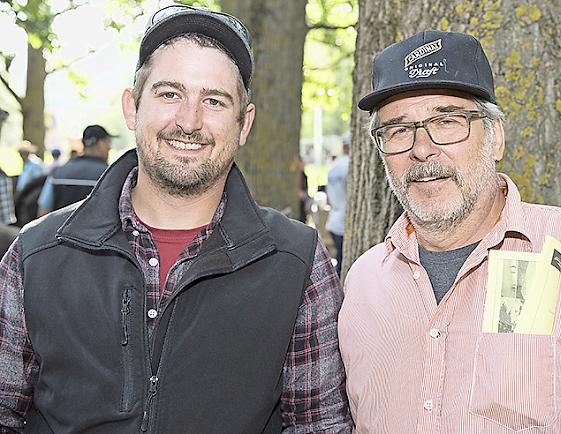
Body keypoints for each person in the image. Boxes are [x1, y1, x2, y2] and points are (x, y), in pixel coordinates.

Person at [0, 5, 351, 433]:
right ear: (132, 109)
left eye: (214, 100)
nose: (189, 121)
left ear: (244, 124)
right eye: (170, 94)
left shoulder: (297, 262)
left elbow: (319, 426)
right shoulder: (36, 256)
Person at [338, 30, 561, 432]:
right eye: (399, 130)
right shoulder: (364, 284)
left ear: (495, 137)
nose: (421, 149)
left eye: (446, 121)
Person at [37, 125, 113, 215]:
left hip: (60, 229)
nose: (109, 147)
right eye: (108, 142)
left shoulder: (58, 173)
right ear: (100, 143)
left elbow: (43, 211)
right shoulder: (110, 175)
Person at [325, 138, 349, 275]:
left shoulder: (334, 166)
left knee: (340, 260)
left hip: (334, 220)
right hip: (344, 222)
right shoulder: (350, 166)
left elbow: (329, 198)